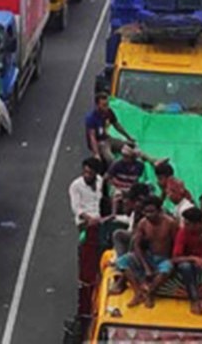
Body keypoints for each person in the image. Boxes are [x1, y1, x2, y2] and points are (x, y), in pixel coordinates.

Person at [115, 196, 177, 308]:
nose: (148, 215)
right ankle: (137, 292)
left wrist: (173, 260)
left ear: (159, 211)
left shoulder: (170, 223)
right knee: (122, 262)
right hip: (147, 256)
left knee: (166, 269)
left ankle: (150, 293)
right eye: (146, 212)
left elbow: (176, 244)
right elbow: (137, 245)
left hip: (163, 258)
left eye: (152, 212)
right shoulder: (143, 223)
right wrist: (146, 266)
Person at [70, 158, 105, 298]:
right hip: (85, 221)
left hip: (99, 217)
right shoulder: (76, 186)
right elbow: (76, 208)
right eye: (85, 172)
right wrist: (89, 219)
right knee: (87, 245)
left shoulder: (100, 181)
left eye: (90, 173)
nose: (87, 175)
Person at [85, 92, 136, 166]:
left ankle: (151, 160)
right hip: (100, 142)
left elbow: (116, 125)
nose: (106, 107)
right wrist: (96, 153)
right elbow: (92, 137)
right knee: (110, 159)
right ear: (97, 105)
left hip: (107, 138)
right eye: (104, 105)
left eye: (107, 105)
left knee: (130, 147)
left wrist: (128, 137)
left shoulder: (108, 112)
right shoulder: (91, 118)